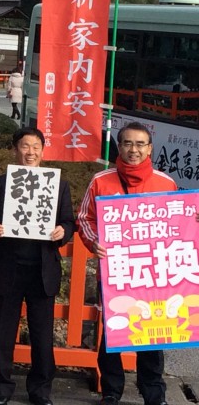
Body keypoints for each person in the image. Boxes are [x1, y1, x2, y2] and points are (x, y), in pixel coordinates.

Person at [78, 122, 176, 405]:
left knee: (153, 335)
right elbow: (85, 218)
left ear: (150, 148)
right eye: (128, 144)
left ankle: (153, 393)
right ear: (119, 147)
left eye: (140, 144)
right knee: (112, 335)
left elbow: (175, 223)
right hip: (116, 272)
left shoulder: (165, 182)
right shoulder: (101, 180)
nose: (134, 150)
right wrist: (94, 241)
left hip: (151, 273)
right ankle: (111, 390)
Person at [0, 127, 75, 405]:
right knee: (3, 332)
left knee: (43, 335)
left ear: (43, 152)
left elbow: (69, 221)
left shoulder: (58, 185)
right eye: (24, 146)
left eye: (36, 147)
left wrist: (62, 232)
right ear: (15, 149)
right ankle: (0, 388)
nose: (30, 152)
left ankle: (41, 390)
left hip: (42, 269)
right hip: (9, 266)